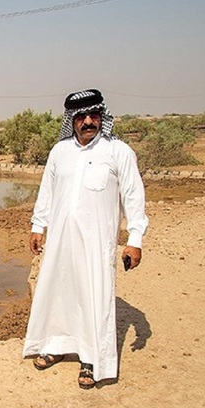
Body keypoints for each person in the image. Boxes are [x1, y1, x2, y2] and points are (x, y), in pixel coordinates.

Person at [22, 88, 149, 389]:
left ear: (102, 117)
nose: (88, 121)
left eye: (94, 115)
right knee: (58, 289)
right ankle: (54, 345)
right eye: (81, 116)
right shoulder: (59, 151)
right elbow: (47, 194)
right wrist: (38, 226)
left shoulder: (118, 152)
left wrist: (135, 239)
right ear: (72, 120)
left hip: (97, 244)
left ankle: (91, 359)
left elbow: (134, 197)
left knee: (95, 296)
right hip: (60, 241)